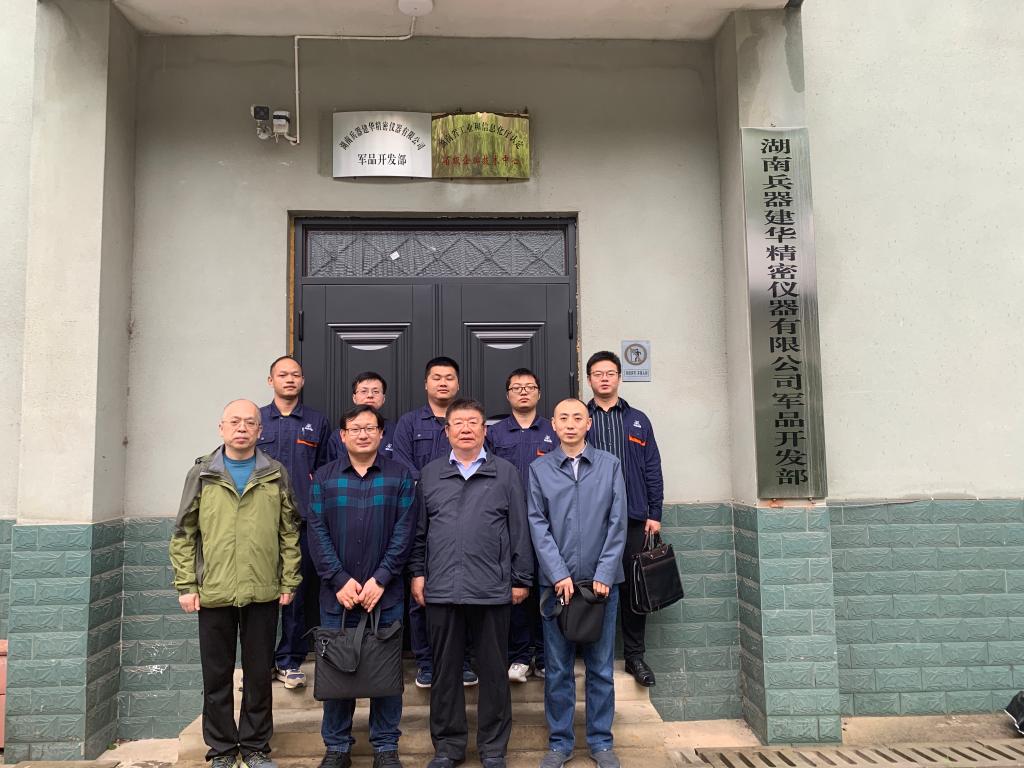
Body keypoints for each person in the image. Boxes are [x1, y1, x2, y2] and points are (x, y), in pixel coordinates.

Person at [170, 399, 302, 768]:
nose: (241, 428)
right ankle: (223, 750)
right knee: (217, 676)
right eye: (234, 422)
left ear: (260, 430)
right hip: (214, 591)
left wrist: (288, 579)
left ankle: (256, 746)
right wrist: (186, 585)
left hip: (263, 590)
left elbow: (289, 531)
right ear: (221, 428)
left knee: (259, 675)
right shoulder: (202, 473)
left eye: (249, 422)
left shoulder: (274, 473)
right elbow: (184, 532)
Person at [409, 399, 534, 768]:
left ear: (484, 430)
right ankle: (448, 748)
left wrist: (521, 578)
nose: (465, 429)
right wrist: (418, 572)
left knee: (494, 673)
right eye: (458, 423)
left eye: (473, 423)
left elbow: (519, 530)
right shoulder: (430, 474)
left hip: (492, 589)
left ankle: (493, 748)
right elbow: (419, 532)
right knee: (445, 673)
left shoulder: (505, 473)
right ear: (446, 431)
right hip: (442, 589)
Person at [307, 405, 416, 768]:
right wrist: (339, 579)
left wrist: (381, 578)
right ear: (343, 436)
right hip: (337, 596)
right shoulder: (324, 477)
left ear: (382, 434)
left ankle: (385, 747)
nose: (363, 434)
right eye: (355, 428)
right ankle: (337, 747)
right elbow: (316, 532)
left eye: (370, 428)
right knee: (338, 673)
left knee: (386, 673)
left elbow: (404, 532)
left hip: (385, 594)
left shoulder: (400, 476)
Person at [527, 398, 626, 768]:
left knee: (600, 668)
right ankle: (559, 743)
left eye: (577, 418)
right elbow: (537, 524)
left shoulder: (609, 465)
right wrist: (558, 574)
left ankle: (601, 742)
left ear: (588, 424)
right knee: (557, 668)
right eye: (563, 418)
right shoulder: (539, 469)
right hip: (557, 587)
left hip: (601, 587)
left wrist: (604, 573)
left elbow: (618, 521)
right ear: (553, 425)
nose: (570, 424)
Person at [393, 356, 475, 688]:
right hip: (420, 516)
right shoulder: (409, 423)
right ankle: (426, 662)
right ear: (426, 383)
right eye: (437, 377)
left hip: (466, 517)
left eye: (449, 377)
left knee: (467, 591)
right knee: (421, 591)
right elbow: (402, 465)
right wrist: (437, 487)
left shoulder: (468, 420)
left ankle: (464, 661)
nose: (443, 382)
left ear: (458, 384)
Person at [585, 351, 664, 687]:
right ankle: (590, 655)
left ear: (619, 377)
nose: (604, 378)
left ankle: (634, 656)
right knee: (591, 586)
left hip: (632, 518)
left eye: (610, 373)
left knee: (634, 589)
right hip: (591, 520)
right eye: (597, 373)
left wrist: (654, 513)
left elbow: (652, 467)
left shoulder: (637, 420)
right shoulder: (582, 418)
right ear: (589, 379)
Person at [257, 355, 330, 689]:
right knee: (259, 592)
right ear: (270, 380)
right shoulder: (256, 419)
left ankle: (289, 660)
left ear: (302, 381)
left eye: (295, 374)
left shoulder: (316, 421)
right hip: (260, 522)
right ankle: (260, 664)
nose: (289, 379)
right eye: (282, 374)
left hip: (301, 523)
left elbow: (326, 470)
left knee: (296, 594)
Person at [486, 368, 556, 682]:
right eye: (517, 387)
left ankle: (544, 655)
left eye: (529, 386)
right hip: (507, 524)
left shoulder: (553, 430)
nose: (523, 391)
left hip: (548, 523)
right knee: (515, 591)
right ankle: (519, 656)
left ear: (539, 392)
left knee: (546, 587)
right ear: (508, 395)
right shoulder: (495, 434)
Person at [326, 371, 397, 462]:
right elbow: (330, 468)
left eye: (376, 391)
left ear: (383, 398)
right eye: (364, 391)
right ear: (354, 398)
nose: (370, 395)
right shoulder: (338, 436)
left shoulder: (396, 431)